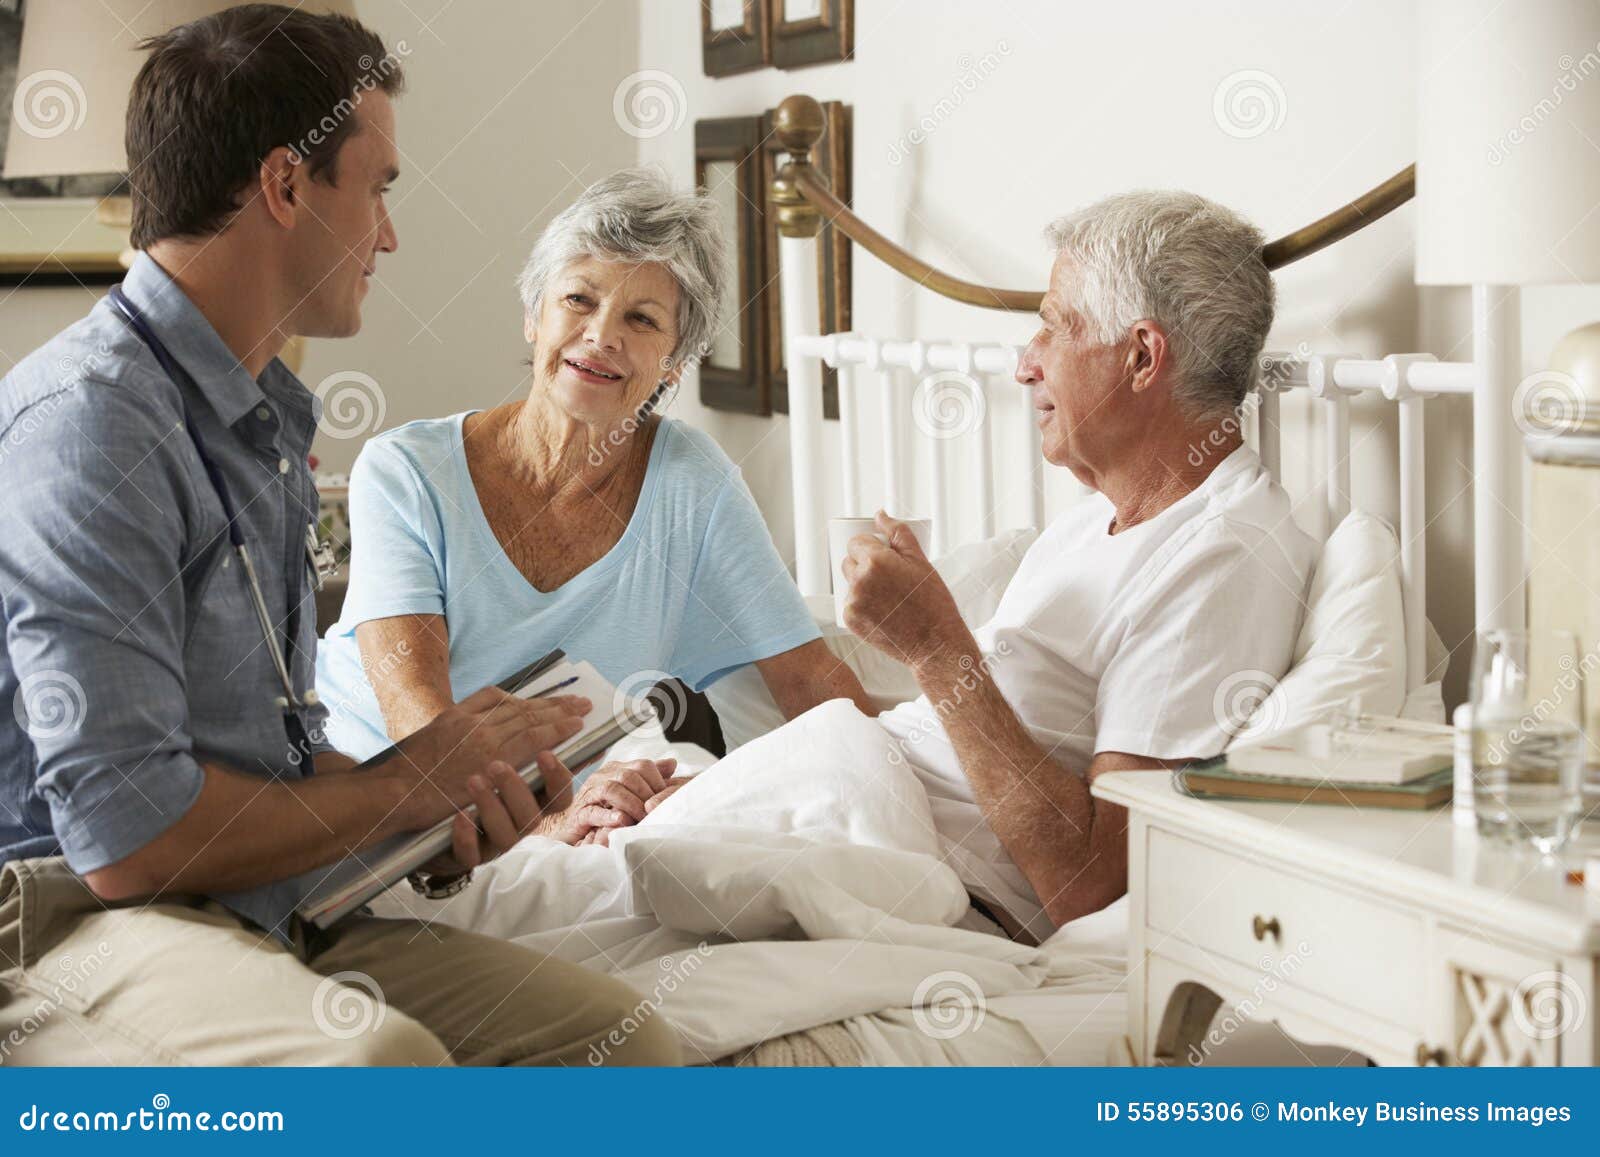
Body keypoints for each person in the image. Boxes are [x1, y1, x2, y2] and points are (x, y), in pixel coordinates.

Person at [0, 4, 677, 1066]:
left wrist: (434, 805)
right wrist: (401, 784)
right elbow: (127, 839)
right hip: (76, 919)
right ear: (283, 185)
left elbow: (263, 753)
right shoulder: (90, 428)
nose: (391, 233)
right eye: (378, 190)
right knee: (373, 1068)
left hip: (253, 901)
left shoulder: (262, 418)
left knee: (624, 1046)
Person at [313, 168, 871, 842]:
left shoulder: (693, 484)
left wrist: (910, 797)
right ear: (533, 316)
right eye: (579, 299)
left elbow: (812, 682)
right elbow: (422, 738)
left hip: (571, 820)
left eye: (641, 319)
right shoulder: (405, 471)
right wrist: (554, 825)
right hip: (381, 814)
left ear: (675, 361)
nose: (602, 334)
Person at [821, 191, 1316, 942]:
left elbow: (1092, 886)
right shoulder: (1093, 519)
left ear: (1143, 356)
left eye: (1053, 328)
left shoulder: (1223, 555)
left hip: (902, 875)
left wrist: (935, 647)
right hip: (832, 807)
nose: (1025, 366)